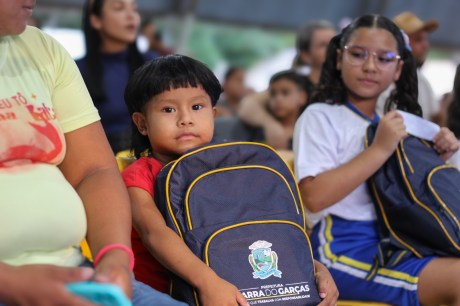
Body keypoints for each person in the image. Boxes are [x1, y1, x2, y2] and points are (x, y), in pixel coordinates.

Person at [0, 1, 186, 305]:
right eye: (118, 8)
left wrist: (114, 259)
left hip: (77, 271)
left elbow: (95, 170)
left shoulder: (42, 49)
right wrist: (11, 284)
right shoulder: (86, 66)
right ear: (96, 21)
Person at [121, 54, 339, 305]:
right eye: (168, 109)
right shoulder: (139, 174)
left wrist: (314, 270)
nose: (186, 119)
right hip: (164, 294)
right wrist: (208, 282)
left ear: (213, 114)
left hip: (240, 291)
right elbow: (153, 233)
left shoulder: (233, 168)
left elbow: (263, 230)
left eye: (197, 107)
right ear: (142, 123)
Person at [294, 14, 460, 306]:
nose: (370, 66)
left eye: (384, 59)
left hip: (399, 239)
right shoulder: (320, 116)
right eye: (358, 54)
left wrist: (439, 156)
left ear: (398, 69)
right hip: (341, 247)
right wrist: (380, 149)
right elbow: (314, 198)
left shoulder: (394, 123)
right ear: (337, 59)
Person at [238, 21, 335, 147]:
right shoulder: (296, 84)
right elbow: (247, 105)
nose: (333, 49)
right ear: (305, 55)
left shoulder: (347, 86)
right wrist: (270, 124)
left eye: (335, 43)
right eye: (323, 45)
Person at [76, 0, 150, 154]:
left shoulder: (154, 64)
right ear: (96, 20)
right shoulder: (76, 71)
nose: (131, 16)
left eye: (134, 9)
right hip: (103, 160)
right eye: (119, 8)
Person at [377, 11, 439, 120]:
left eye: (425, 39)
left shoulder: (421, 79)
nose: (426, 45)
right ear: (399, 44)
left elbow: (436, 117)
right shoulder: (380, 81)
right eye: (418, 40)